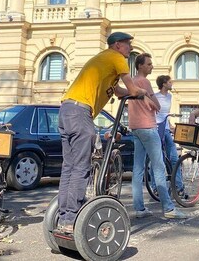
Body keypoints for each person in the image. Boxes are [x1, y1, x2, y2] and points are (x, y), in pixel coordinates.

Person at [55, 32, 149, 234]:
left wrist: (134, 93)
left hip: (67, 110)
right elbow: (132, 89)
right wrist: (142, 92)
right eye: (127, 45)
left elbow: (119, 92)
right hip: (81, 113)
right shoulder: (116, 58)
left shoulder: (105, 62)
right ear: (117, 46)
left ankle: (64, 217)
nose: (130, 48)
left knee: (69, 168)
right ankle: (70, 219)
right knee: (81, 168)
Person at [130, 54, 188, 219]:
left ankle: (139, 209)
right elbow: (157, 105)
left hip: (135, 127)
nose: (151, 66)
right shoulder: (144, 82)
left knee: (138, 169)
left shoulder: (132, 81)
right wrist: (151, 101)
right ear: (140, 66)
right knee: (159, 167)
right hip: (148, 127)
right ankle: (169, 208)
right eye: (149, 64)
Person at [154, 74, 185, 197]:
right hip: (156, 130)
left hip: (166, 130)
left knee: (174, 158)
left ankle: (178, 186)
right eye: (170, 82)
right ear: (164, 84)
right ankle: (156, 187)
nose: (172, 84)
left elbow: (165, 115)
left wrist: (171, 126)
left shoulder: (170, 97)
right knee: (157, 160)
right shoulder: (155, 97)